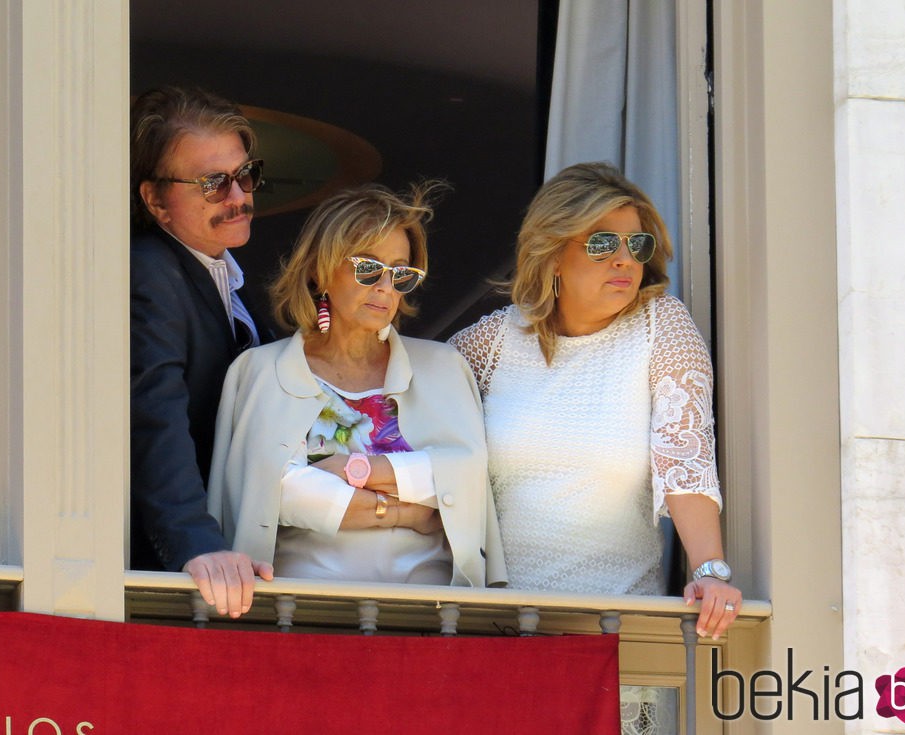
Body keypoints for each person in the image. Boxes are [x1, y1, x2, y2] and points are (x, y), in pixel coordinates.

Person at [449, 162, 741, 639]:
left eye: (636, 244)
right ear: (552, 253)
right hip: (499, 629)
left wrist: (710, 571)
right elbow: (422, 436)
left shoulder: (660, 326)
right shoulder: (494, 341)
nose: (625, 259)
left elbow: (686, 460)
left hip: (617, 634)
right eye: (603, 243)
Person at [207, 182, 506, 595]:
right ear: (319, 269)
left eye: (400, 273)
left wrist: (352, 470)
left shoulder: (444, 367)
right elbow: (274, 491)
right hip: (300, 613)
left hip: (430, 615)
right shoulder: (258, 371)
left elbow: (467, 477)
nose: (385, 286)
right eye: (368, 267)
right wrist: (409, 512)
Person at [130, 86, 274, 617]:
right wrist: (195, 543)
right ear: (154, 200)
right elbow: (154, 416)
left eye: (245, 174)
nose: (238, 196)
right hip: (184, 585)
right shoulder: (150, 271)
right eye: (214, 183)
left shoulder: (228, 276)